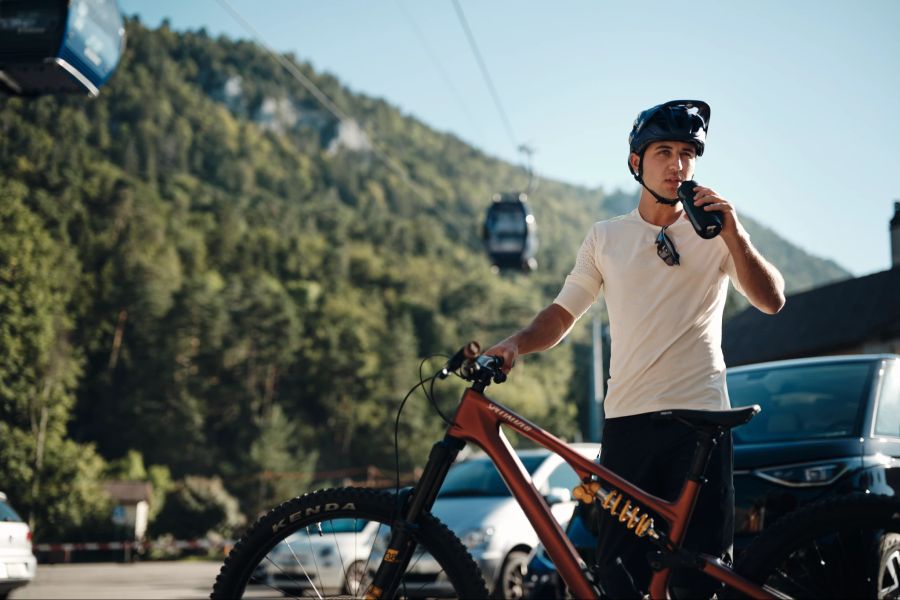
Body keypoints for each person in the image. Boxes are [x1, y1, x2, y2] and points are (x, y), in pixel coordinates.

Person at [484, 99, 785, 598]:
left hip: (702, 419)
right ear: (635, 163)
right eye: (663, 151)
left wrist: (733, 235)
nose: (678, 164)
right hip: (629, 425)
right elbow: (562, 314)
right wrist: (516, 344)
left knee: (699, 578)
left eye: (688, 152)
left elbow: (771, 299)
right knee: (621, 576)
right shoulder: (606, 237)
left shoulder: (716, 231)